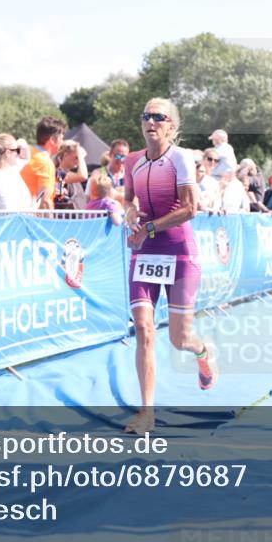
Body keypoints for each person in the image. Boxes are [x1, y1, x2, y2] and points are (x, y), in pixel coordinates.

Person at [123, 98, 217, 434]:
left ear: (171, 126)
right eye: (146, 116)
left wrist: (148, 228)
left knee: (179, 339)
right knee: (144, 330)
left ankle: (202, 352)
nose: (151, 122)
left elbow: (191, 208)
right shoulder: (132, 161)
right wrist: (130, 212)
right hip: (145, 253)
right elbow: (129, 198)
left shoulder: (180, 158)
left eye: (159, 117)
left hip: (178, 253)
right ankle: (147, 412)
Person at [0, 133, 35, 213]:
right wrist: (32, 209)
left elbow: (26, 159)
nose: (18, 154)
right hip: (15, 220)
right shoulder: (0, 180)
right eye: (17, 150)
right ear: (8, 153)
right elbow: (9, 213)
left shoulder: (9, 172)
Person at [20, 116, 65, 210]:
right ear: (52, 140)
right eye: (61, 139)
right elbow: (44, 200)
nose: (62, 142)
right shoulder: (45, 163)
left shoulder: (29, 154)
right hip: (33, 215)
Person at [85, 139, 130, 205]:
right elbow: (89, 199)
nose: (121, 160)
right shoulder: (98, 174)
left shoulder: (129, 175)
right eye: (118, 156)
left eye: (124, 157)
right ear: (110, 155)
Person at [53, 140, 89, 210]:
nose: (78, 161)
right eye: (76, 157)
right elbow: (83, 176)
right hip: (65, 216)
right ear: (65, 155)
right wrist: (80, 155)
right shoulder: (59, 173)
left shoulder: (70, 174)